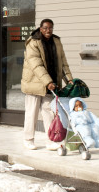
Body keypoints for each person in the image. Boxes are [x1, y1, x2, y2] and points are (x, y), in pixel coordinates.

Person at [21, 18, 73, 150]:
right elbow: (36, 64)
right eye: (45, 28)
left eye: (50, 28)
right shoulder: (33, 42)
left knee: (49, 112)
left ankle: (50, 140)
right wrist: (48, 81)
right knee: (31, 113)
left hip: (51, 84)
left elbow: (63, 62)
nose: (48, 30)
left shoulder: (56, 41)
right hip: (34, 83)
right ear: (40, 28)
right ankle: (28, 139)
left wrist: (69, 80)